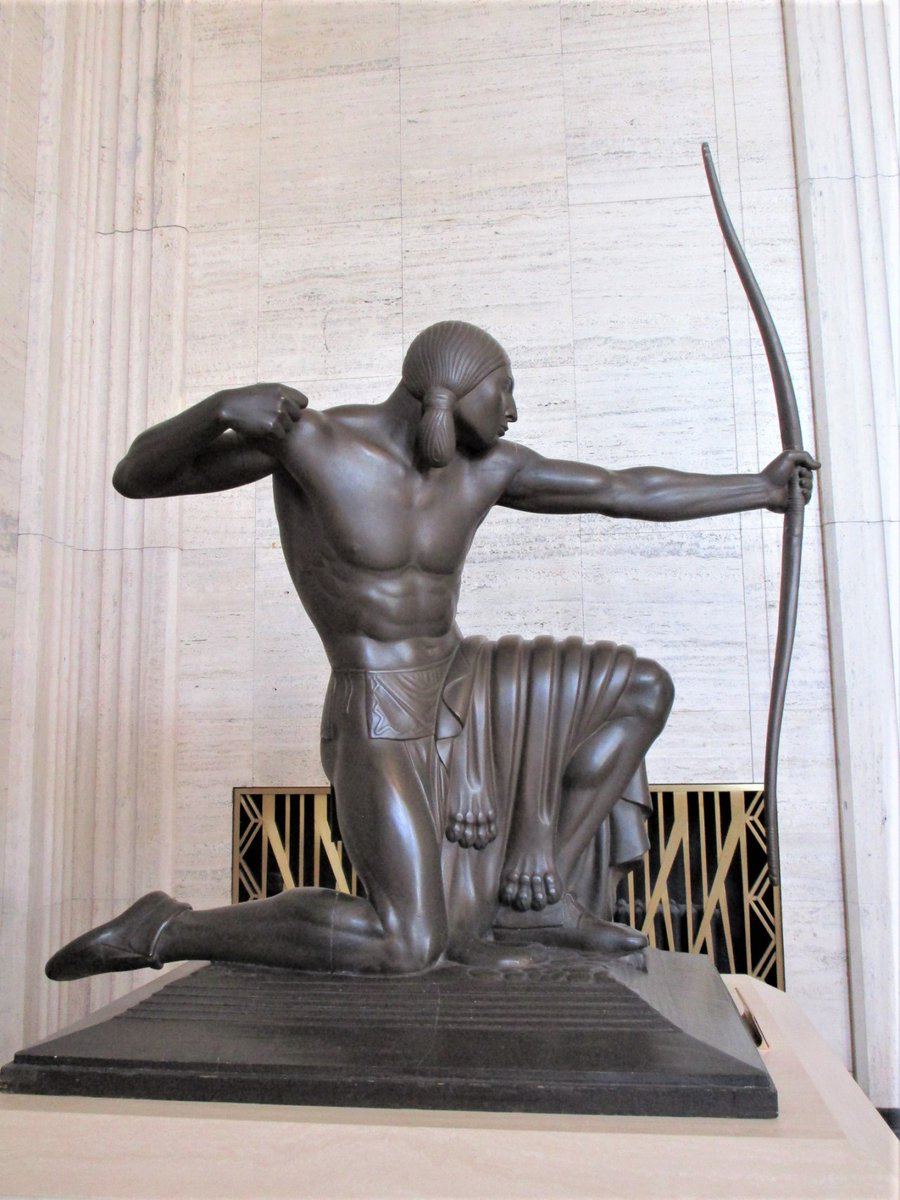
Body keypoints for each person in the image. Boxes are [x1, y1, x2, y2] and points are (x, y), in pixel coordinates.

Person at [46, 321, 817, 981]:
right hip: (376, 709)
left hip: (461, 681)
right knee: (407, 944)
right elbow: (136, 478)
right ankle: (166, 928)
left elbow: (625, 490)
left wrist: (758, 488)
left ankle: (537, 905)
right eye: (503, 389)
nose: (512, 410)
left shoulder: (490, 468)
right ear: (451, 386)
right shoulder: (313, 443)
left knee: (639, 689)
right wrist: (217, 409)